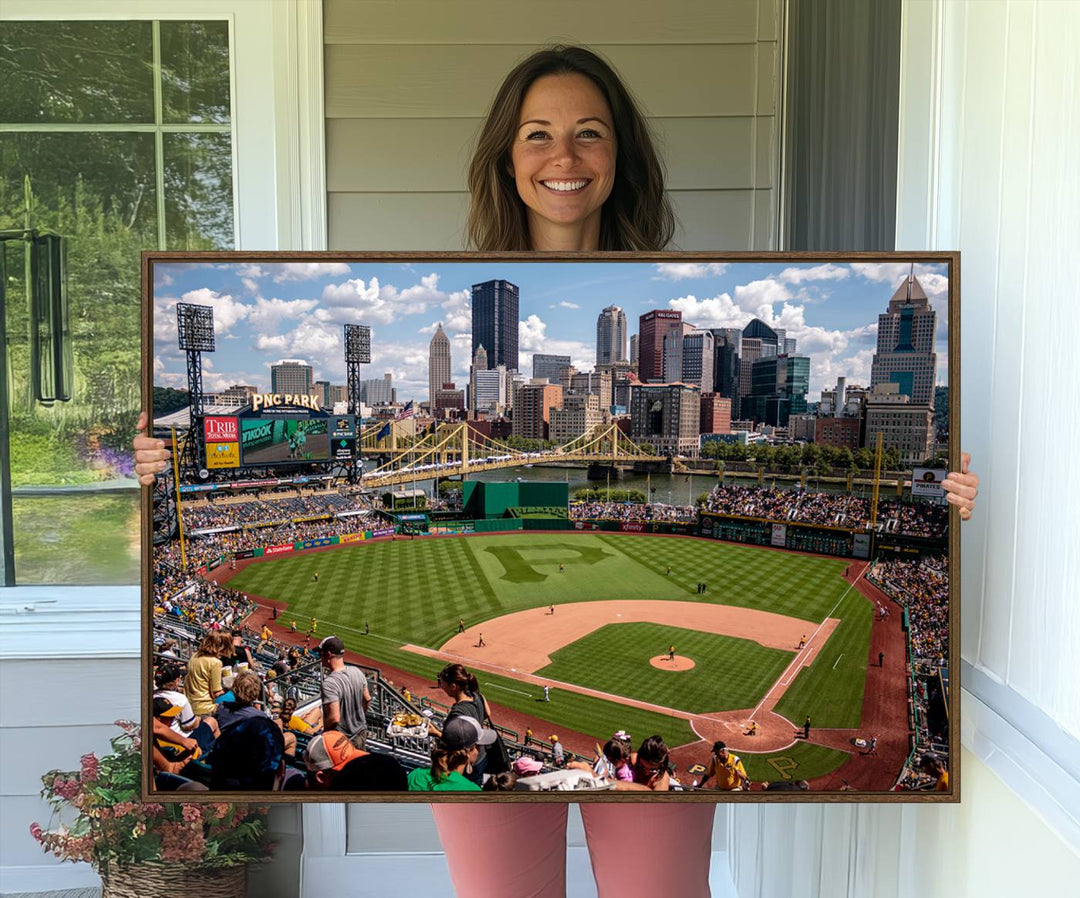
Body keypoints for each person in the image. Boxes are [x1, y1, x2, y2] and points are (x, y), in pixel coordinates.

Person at [133, 42, 980, 898]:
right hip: (487, 761)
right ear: (506, 156)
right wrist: (152, 467)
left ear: (621, 157)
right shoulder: (439, 279)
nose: (563, 157)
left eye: (590, 133)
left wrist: (943, 491)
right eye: (537, 134)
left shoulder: (686, 277)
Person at [428, 663, 493, 785]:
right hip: (481, 755)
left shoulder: (458, 712)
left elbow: (455, 743)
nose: (442, 687)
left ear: (453, 686)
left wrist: (435, 732)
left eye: (443, 683)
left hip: (467, 762)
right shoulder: (477, 695)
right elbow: (488, 713)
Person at [318, 635, 371, 750]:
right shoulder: (357, 671)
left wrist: (325, 734)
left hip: (342, 739)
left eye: (320, 654)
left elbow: (335, 718)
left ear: (328, 655)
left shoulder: (329, 683)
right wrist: (358, 718)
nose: (320, 658)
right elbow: (367, 699)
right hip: (361, 733)